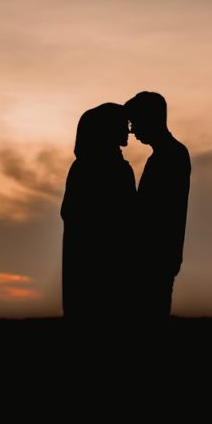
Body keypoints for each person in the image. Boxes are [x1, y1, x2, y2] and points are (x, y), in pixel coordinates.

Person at [60, 102, 137, 322]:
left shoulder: (85, 167)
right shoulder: (109, 170)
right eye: (123, 125)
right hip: (100, 267)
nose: (128, 131)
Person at [125, 91, 191, 320]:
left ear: (149, 119)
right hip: (157, 257)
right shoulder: (166, 155)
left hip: (154, 258)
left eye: (135, 122)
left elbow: (153, 212)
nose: (131, 131)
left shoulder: (171, 156)